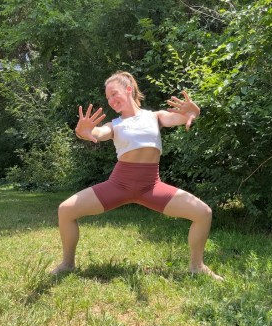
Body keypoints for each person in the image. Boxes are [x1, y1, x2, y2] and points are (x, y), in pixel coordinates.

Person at [51, 71, 223, 280]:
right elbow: (98, 133)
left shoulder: (154, 117)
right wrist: (84, 132)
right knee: (66, 210)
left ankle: (197, 266)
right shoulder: (114, 125)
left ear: (129, 89)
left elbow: (178, 118)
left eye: (115, 94)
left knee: (203, 213)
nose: (112, 101)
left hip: (151, 186)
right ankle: (67, 264)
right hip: (119, 184)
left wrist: (193, 111)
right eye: (108, 98)